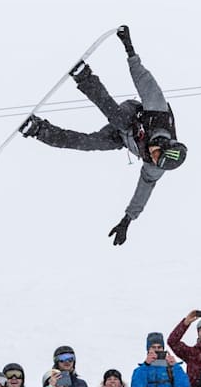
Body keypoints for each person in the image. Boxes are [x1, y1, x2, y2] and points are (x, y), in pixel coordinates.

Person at [18, 25, 188, 246]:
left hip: (124, 139)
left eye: (155, 161)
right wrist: (129, 48)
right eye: (156, 155)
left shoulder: (156, 167)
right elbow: (143, 80)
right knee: (119, 119)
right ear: (164, 144)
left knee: (89, 143)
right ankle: (84, 76)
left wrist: (128, 220)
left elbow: (143, 193)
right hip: (130, 116)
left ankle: (38, 129)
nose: (151, 158)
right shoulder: (159, 112)